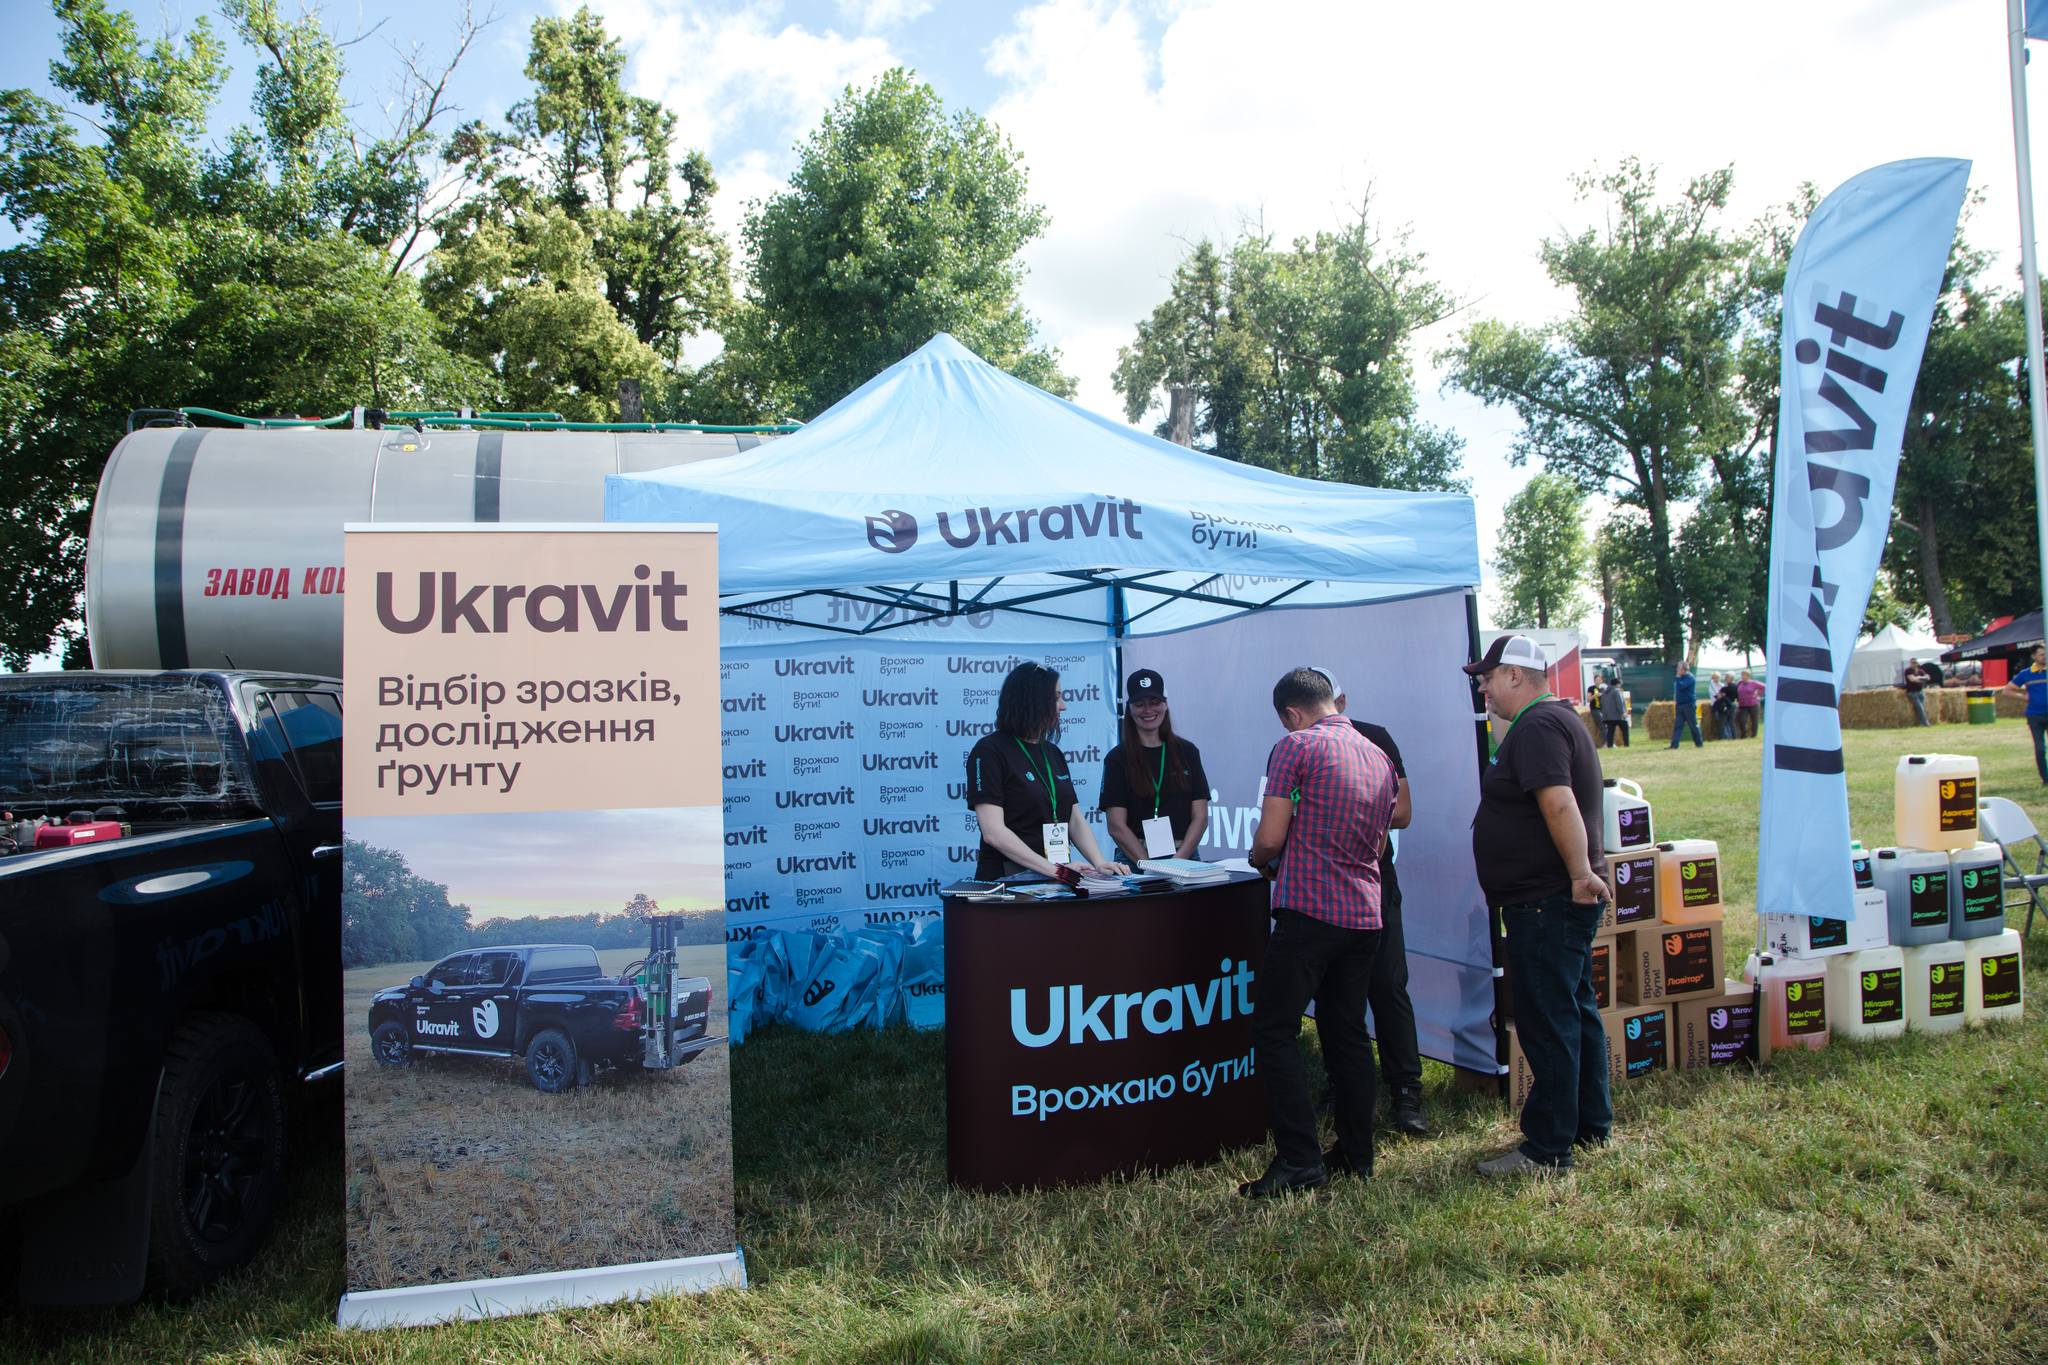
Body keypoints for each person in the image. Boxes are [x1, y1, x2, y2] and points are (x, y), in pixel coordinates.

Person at [1239, 668, 1397, 1196]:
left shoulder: (1296, 747)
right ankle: (1356, 1152)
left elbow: (1270, 837)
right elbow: (1379, 844)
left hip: (1310, 911)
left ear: (1291, 714)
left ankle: (1299, 1159)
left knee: (1274, 1029)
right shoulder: (1376, 754)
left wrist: (1260, 859)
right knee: (1347, 1033)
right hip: (1364, 914)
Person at [1465, 634, 1611, 1177]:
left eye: (1487, 678)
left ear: (1515, 675)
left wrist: (1579, 875)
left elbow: (1558, 802)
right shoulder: (1553, 720)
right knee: (1572, 1010)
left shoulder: (1539, 726)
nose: (1482, 688)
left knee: (1548, 1018)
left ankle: (1549, 1147)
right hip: (1551, 897)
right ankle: (1588, 1125)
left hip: (1547, 900)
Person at [1312, 668, 1430, 1137]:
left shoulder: (1374, 738)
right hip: (1321, 889)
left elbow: (1404, 810)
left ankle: (1406, 1092)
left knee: (1387, 985)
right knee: (1333, 993)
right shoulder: (1296, 745)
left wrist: (1344, 819)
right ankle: (1341, 1084)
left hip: (1373, 881)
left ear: (1341, 702)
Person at [964, 662, 1127, 880]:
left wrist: (1099, 863)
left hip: (1054, 878)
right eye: (1056, 697)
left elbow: (1074, 819)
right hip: (1008, 880)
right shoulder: (989, 751)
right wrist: (1058, 871)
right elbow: (994, 833)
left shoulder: (1052, 752)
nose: (1063, 706)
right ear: (1032, 700)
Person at [1100, 669, 1210, 863]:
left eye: (1154, 702)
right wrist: (1148, 865)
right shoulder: (1116, 759)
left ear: (1165, 705)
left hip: (1185, 857)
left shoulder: (1188, 751)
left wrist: (1177, 861)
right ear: (1129, 709)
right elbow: (1116, 825)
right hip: (1135, 860)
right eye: (1140, 704)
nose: (1148, 710)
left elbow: (1200, 816)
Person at [2005, 644, 2048, 785]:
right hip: (2035, 716)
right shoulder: (2026, 674)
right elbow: (2007, 690)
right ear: (2034, 656)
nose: (2044, 656)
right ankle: (2045, 779)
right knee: (2040, 749)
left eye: (2046, 654)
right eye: (2041, 654)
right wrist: (2024, 697)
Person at [1668, 660, 1702, 749]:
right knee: (1678, 726)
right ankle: (1674, 745)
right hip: (1679, 705)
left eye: (1678, 668)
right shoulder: (1680, 678)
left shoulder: (1690, 678)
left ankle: (1699, 743)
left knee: (1693, 725)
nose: (1677, 670)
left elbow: (1681, 686)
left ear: (1683, 669)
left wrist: (1678, 677)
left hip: (1689, 705)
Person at [1597, 672, 1629, 748]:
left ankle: (1610, 745)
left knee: (1610, 731)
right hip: (1617, 716)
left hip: (1608, 717)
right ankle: (1626, 744)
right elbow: (1619, 703)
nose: (1620, 685)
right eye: (1619, 684)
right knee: (1625, 728)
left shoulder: (1604, 692)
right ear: (1617, 684)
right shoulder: (1616, 691)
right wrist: (1623, 712)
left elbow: (1602, 703)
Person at [1897, 660, 1930, 727]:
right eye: (1912, 662)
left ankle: (1921, 723)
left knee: (1921, 708)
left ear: (1917, 663)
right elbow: (1912, 679)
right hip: (1912, 692)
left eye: (1915, 662)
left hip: (1920, 691)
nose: (1914, 664)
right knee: (1920, 708)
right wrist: (1922, 680)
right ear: (1910, 663)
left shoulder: (1920, 670)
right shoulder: (1908, 670)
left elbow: (1928, 677)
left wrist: (1919, 677)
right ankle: (1925, 723)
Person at [1735, 670, 1764, 738]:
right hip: (1742, 705)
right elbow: (1735, 691)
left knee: (1754, 720)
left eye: (1744, 675)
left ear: (1748, 676)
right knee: (1742, 720)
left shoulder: (1753, 683)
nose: (1743, 677)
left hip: (1753, 704)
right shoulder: (1739, 683)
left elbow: (1764, 686)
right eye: (1742, 675)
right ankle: (1744, 735)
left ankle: (1754, 735)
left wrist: (1758, 694)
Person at [1711, 673, 1739, 740]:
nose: (1725, 678)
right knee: (1731, 722)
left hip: (1725, 706)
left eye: (1727, 677)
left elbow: (1718, 696)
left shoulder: (1725, 688)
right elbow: (1737, 697)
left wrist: (1720, 695)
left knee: (1722, 722)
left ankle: (1722, 738)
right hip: (1733, 705)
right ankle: (1734, 737)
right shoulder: (1736, 687)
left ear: (1730, 679)